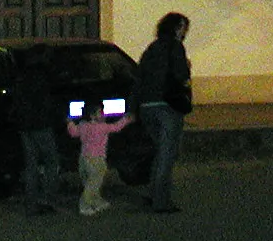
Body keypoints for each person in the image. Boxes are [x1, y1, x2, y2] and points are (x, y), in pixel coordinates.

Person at [133, 11, 191, 213]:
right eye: (183, 27)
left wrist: (135, 106)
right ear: (177, 28)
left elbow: (139, 77)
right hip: (166, 106)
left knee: (160, 151)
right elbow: (181, 74)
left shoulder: (152, 48)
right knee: (167, 154)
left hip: (147, 107)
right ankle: (161, 201)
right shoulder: (175, 47)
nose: (185, 32)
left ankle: (151, 193)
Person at [9, 44, 60, 216]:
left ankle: (31, 203)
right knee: (51, 161)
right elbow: (46, 101)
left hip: (25, 124)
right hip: (41, 123)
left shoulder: (22, 75)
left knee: (31, 163)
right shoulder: (42, 75)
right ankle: (47, 200)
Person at [66, 102, 133, 216]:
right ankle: (85, 205)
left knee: (90, 181)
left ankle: (96, 201)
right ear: (92, 116)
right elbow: (116, 127)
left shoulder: (83, 125)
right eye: (100, 112)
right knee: (94, 183)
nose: (103, 114)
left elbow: (73, 133)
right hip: (97, 159)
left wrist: (70, 122)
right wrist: (126, 119)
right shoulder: (101, 127)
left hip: (84, 158)